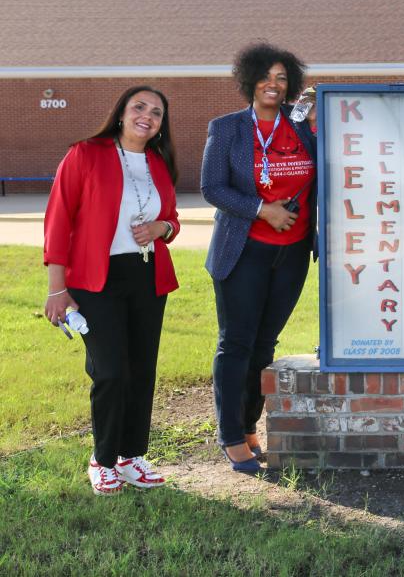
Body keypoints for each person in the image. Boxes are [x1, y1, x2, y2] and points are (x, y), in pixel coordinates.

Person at [43, 85, 180, 494]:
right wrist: (56, 290)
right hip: (95, 279)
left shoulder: (158, 162)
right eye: (139, 106)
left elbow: (171, 218)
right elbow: (59, 219)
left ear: (160, 125)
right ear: (121, 112)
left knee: (141, 369)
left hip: (147, 276)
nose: (147, 115)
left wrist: (163, 228)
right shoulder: (85, 153)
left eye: (156, 112)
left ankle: (131, 456)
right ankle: (102, 459)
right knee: (111, 371)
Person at [202, 42, 317, 472]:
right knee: (236, 342)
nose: (274, 84)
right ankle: (230, 434)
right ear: (249, 80)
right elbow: (213, 187)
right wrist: (262, 210)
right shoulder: (227, 128)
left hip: (292, 253)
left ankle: (249, 425)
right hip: (243, 249)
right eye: (266, 76)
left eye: (282, 77)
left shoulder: (302, 125)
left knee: (264, 344)